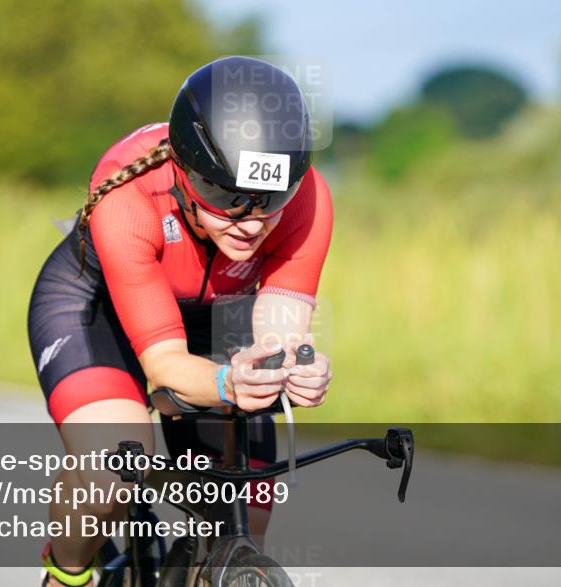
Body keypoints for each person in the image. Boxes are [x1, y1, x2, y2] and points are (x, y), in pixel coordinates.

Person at [27, 56, 334, 587]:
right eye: (225, 197)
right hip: (97, 309)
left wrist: (292, 367)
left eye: (271, 200)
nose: (250, 221)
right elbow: (165, 364)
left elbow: (280, 333)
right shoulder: (128, 197)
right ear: (185, 172)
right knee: (108, 477)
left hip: (215, 314)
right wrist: (225, 382)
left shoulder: (308, 200)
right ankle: (68, 570)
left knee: (247, 515)